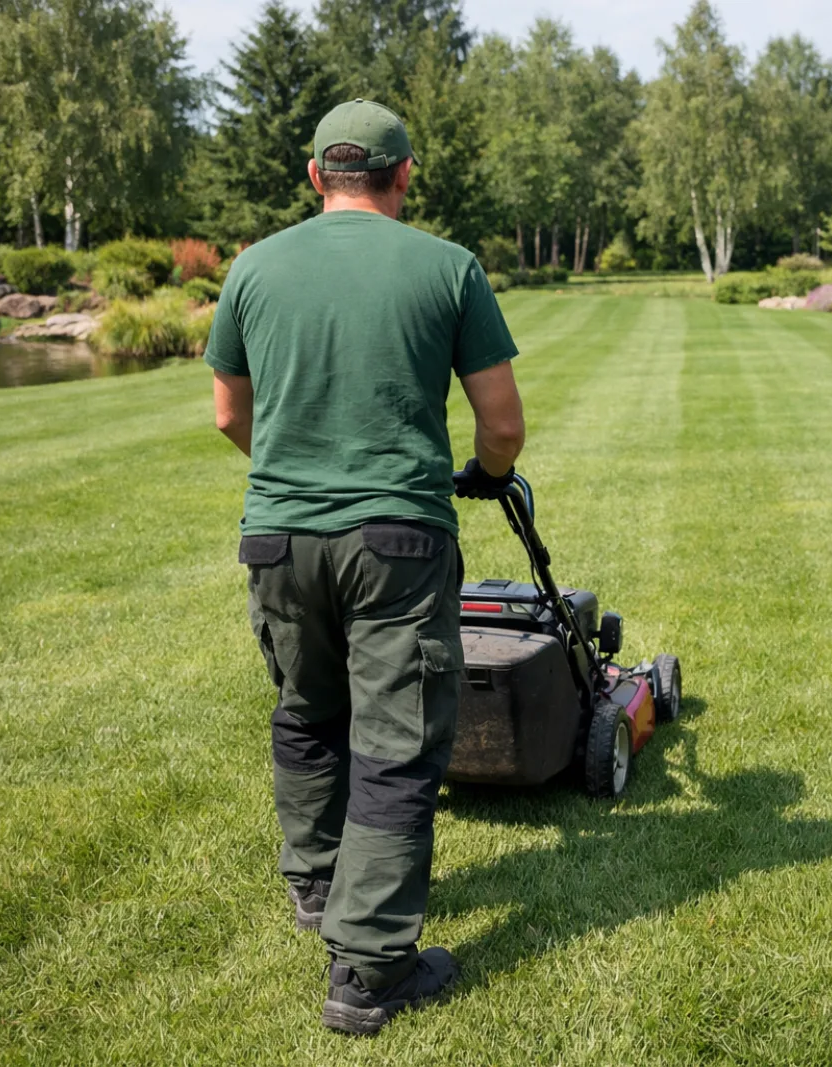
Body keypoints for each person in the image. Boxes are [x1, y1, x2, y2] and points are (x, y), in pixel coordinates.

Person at [204, 98, 526, 1036]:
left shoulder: (254, 268)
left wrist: (295, 480)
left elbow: (230, 416)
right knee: (393, 740)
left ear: (315, 176)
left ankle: (316, 889)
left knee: (308, 714)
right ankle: (371, 969)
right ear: (404, 175)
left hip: (277, 535)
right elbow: (500, 423)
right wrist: (484, 475)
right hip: (398, 541)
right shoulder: (447, 266)